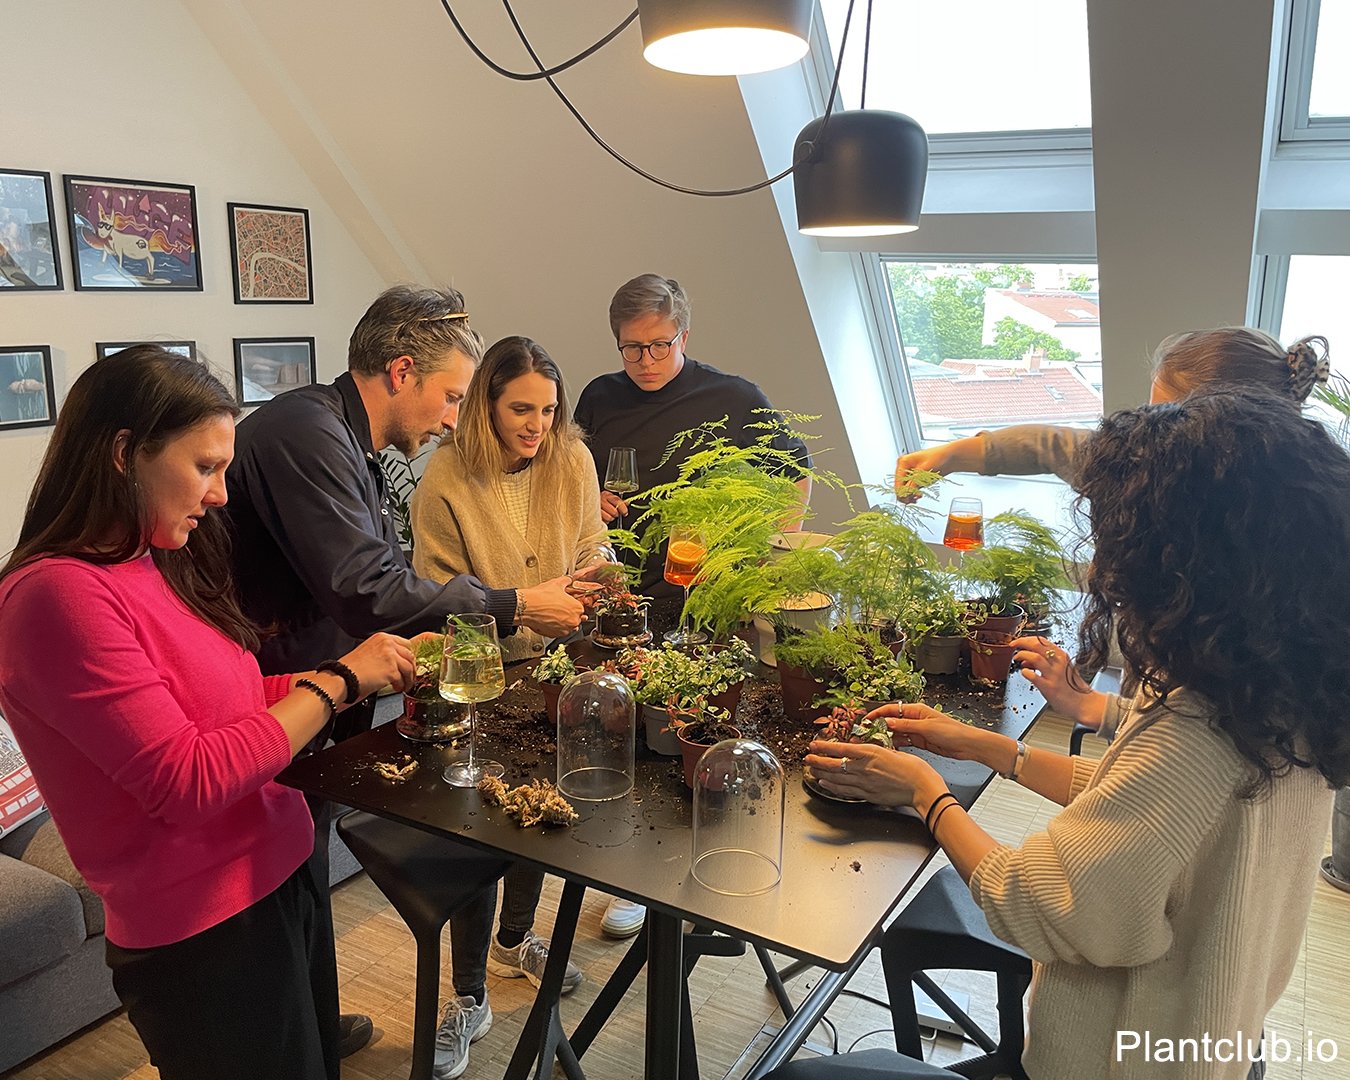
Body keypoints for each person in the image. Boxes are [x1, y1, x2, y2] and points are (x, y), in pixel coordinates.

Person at [802, 389, 1348, 1080]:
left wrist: (925, 793)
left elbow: (1038, 906)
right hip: (1222, 1045)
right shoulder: (1289, 690)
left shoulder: (1196, 730)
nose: (1105, 566)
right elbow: (1155, 811)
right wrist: (991, 748)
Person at [0, 346, 417, 1080]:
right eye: (205, 467)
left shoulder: (148, 559)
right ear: (124, 454)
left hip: (277, 875)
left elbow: (234, 699)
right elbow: (185, 780)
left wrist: (358, 672)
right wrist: (339, 681)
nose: (221, 494)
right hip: (205, 931)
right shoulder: (56, 597)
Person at [224, 285, 585, 1064]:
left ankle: (318, 1026)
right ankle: (295, 1043)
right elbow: (367, 587)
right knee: (276, 880)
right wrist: (516, 603)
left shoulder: (345, 440)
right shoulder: (304, 433)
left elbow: (375, 577)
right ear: (400, 372)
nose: (454, 417)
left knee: (303, 862)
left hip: (318, 689)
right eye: (451, 396)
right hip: (268, 695)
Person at [573, 274, 812, 938]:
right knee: (630, 739)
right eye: (631, 348)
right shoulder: (599, 397)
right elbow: (569, 475)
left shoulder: (733, 398)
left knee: (694, 741)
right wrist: (588, 499)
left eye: (660, 345)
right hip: (622, 595)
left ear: (684, 334)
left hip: (707, 602)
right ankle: (634, 875)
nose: (645, 361)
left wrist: (761, 554)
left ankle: (690, 875)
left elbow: (796, 474)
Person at [409, 336, 602, 1011]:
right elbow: (436, 599)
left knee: (539, 812)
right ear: (484, 404)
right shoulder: (446, 476)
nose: (536, 425)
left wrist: (597, 572)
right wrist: (525, 609)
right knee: (481, 831)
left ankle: (514, 940)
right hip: (482, 680)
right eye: (521, 409)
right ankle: (468, 997)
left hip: (559, 669)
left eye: (548, 410)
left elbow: (591, 541)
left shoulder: (571, 457)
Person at [896, 327, 1330, 486]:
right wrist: (951, 455)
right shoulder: (1157, 460)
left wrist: (1086, 681)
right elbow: (1053, 446)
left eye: (1170, 419)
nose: (1149, 430)